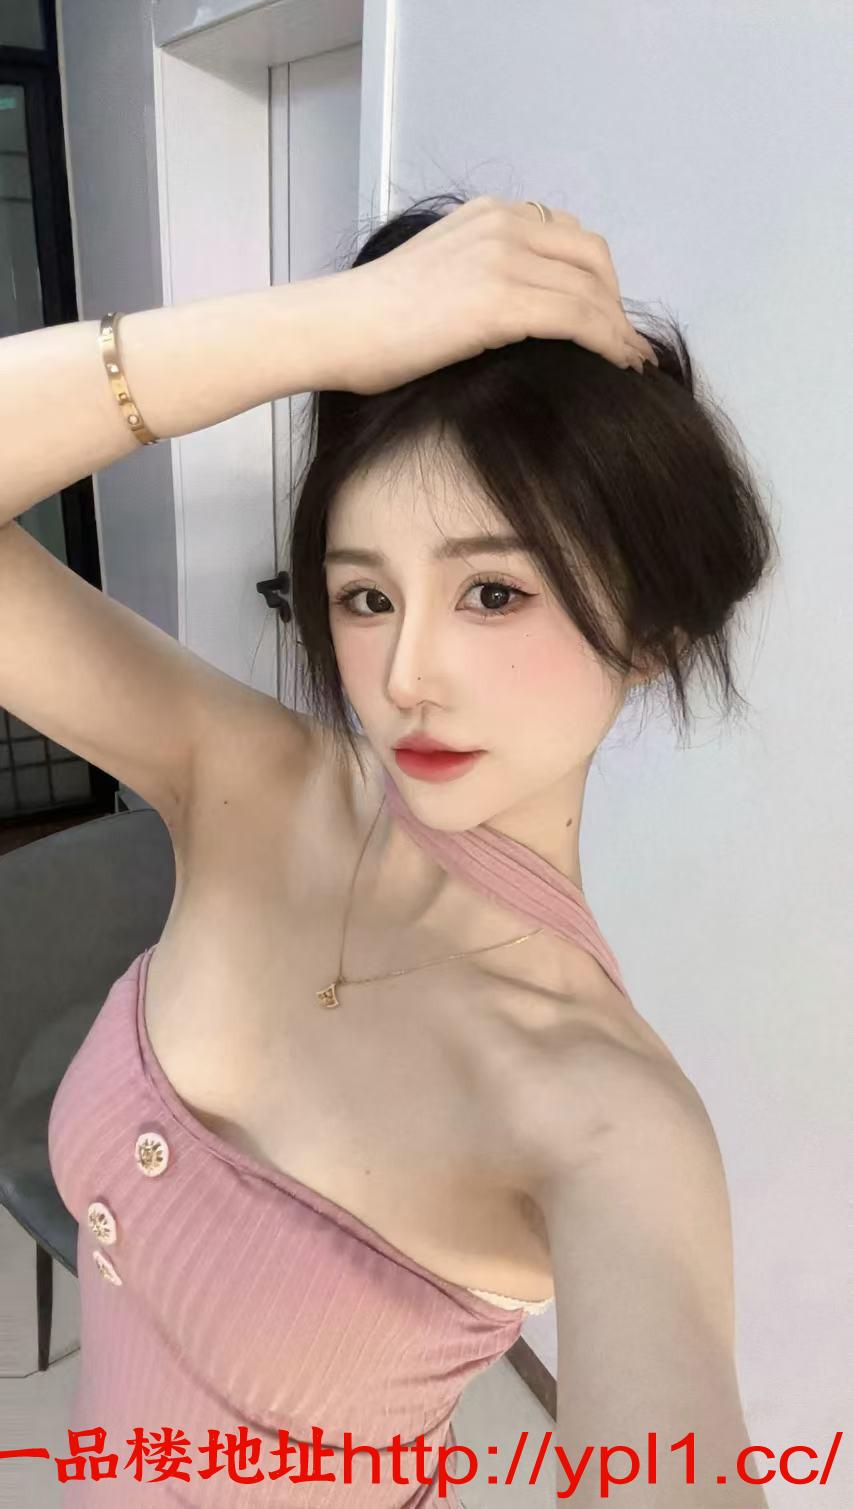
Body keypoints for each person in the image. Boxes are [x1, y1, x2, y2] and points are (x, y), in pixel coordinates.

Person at [0, 193, 777, 1506]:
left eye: (493, 592)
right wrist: (333, 326)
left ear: (649, 633)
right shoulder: (250, 781)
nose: (407, 672)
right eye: (366, 596)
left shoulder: (604, 1118)